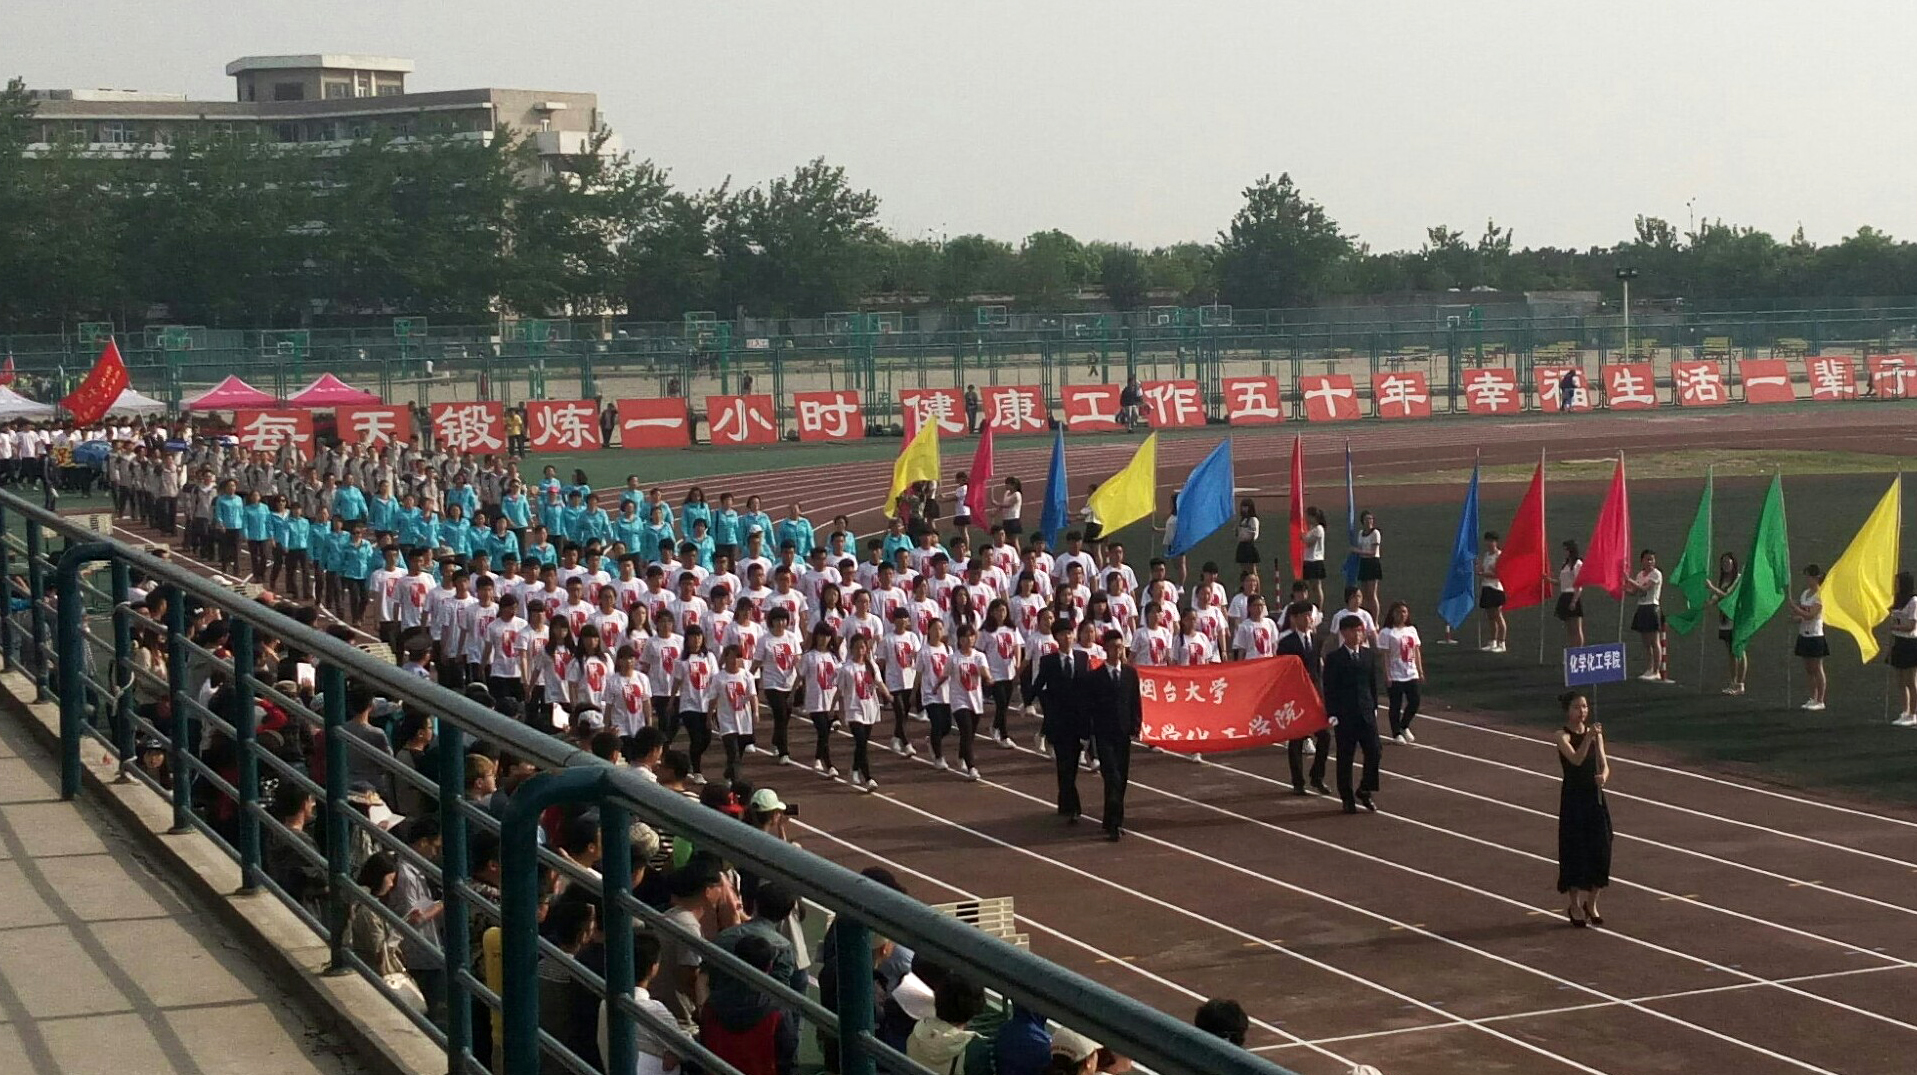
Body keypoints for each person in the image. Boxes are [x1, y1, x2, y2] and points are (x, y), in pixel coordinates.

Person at [1555, 690, 1612, 927]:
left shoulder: (1595, 735)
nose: (1582, 711)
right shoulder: (1562, 736)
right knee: (1575, 850)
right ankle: (1575, 905)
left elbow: (1604, 764)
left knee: (1602, 847)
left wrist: (1604, 777)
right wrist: (1588, 738)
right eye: (1577, 707)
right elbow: (1576, 760)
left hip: (1594, 798)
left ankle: (1592, 902)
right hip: (1574, 800)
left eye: (1585, 707)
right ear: (1568, 710)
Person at [1322, 614, 1381, 814]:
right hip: (1345, 715)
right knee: (1345, 757)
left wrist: (1374, 706)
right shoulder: (1334, 658)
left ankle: (1365, 789)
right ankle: (1347, 797)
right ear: (1344, 633)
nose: (1358, 635)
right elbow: (1329, 688)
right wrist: (1332, 713)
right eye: (1354, 631)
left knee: (1375, 751)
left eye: (1360, 631)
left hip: (1366, 712)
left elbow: (1372, 683)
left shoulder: (1367, 655)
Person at [1086, 628, 1141, 841]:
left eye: (1120, 647)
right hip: (1104, 734)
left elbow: (1135, 702)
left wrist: (1136, 726)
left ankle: (1111, 818)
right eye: (1113, 647)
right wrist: (1089, 733)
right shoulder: (1096, 677)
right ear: (1106, 649)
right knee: (1112, 777)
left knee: (1122, 778)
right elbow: (1090, 706)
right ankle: (1115, 824)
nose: (1117, 651)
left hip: (1123, 733)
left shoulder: (1129, 674)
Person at [1031, 620, 1087, 822]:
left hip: (1078, 721)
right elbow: (1039, 684)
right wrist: (1030, 701)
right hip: (1059, 721)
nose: (1067, 637)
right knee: (1064, 764)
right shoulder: (1049, 661)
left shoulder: (1082, 657)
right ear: (1056, 638)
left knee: (1072, 765)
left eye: (1069, 633)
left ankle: (1065, 802)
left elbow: (1088, 685)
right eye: (1063, 634)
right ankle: (1073, 807)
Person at [1276, 601, 1329, 795]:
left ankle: (1317, 776)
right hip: (1296, 695)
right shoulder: (1286, 643)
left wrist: (1321, 693)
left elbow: (1317, 669)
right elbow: (1283, 671)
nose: (1308, 619)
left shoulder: (1316, 640)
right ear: (1294, 619)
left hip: (1314, 694)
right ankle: (1298, 781)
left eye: (1309, 615)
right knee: (1297, 739)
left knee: (1324, 736)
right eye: (1304, 616)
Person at [1377, 601, 1425, 744]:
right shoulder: (1387, 633)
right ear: (1392, 614)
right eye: (1398, 612)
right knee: (1396, 705)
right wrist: (1387, 674)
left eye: (1404, 612)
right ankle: (1396, 732)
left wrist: (1420, 670)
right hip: (1395, 674)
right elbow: (1385, 655)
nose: (1402, 615)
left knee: (1415, 701)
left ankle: (1404, 725)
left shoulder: (1411, 630)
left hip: (1411, 672)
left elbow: (1416, 651)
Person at [1624, 549, 1670, 683]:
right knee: (1645, 642)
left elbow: (1645, 588)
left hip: (1652, 607)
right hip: (1642, 607)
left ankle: (1656, 671)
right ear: (1642, 561)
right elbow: (1634, 592)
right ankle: (1649, 668)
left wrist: (1629, 579)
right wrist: (1623, 588)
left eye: (1652, 559)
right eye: (1647, 559)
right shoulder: (1640, 575)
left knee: (1654, 641)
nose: (1650, 562)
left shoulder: (1656, 574)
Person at [1789, 564, 1829, 712]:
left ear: (1816, 578)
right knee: (1808, 669)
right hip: (1803, 635)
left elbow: (1811, 615)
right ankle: (1812, 697)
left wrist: (1795, 608)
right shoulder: (1805, 594)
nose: (1807, 579)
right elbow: (1802, 615)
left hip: (1815, 636)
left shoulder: (1820, 596)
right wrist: (1795, 618)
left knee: (1817, 668)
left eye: (1809, 576)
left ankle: (1820, 700)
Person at [1705, 552, 1744, 695]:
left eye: (1728, 562)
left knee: (1739, 650)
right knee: (1730, 652)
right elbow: (1718, 596)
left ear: (1733, 563)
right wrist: (1709, 602)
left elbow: (1729, 596)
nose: (1726, 565)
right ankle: (1733, 682)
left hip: (1735, 618)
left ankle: (1740, 683)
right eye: (1724, 563)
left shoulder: (1738, 578)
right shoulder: (1723, 580)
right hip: (1725, 619)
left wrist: (1711, 587)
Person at [1887, 571, 1917, 727]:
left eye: (1897, 583)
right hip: (1898, 642)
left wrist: (1895, 627)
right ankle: (1905, 711)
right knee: (1900, 680)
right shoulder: (1896, 601)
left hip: (1910, 643)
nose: (1895, 586)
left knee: (1910, 680)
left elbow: (1911, 626)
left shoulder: (1914, 602)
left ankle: (1913, 714)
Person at [1476, 530, 1507, 653]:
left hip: (1496, 588)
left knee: (1497, 615)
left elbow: (1499, 574)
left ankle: (1502, 643)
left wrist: (1483, 574)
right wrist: (1478, 567)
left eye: (1491, 541)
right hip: (1486, 587)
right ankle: (1493, 641)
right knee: (1490, 617)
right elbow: (1483, 569)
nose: (1489, 543)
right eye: (1487, 541)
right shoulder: (1487, 555)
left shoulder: (1499, 556)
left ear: (1496, 542)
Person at [1552, 540, 1585, 647]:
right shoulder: (1565, 565)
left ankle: (1579, 651)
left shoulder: (1578, 564)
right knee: (1569, 629)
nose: (1564, 552)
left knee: (1576, 628)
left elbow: (1579, 585)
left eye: (1566, 549)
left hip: (1573, 595)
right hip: (1564, 596)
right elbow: (1561, 582)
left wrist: (1574, 601)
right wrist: (1547, 579)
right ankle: (1571, 650)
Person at [1352, 510, 1382, 617]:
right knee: (1364, 594)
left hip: (1372, 563)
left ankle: (1375, 620)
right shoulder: (1361, 533)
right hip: (1363, 563)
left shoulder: (1375, 533)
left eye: (1371, 519)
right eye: (1367, 519)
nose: (1369, 521)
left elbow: (1373, 552)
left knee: (1372, 594)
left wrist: (1357, 551)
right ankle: (1365, 616)